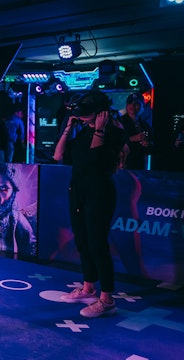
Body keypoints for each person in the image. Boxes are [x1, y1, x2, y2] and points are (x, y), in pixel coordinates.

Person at [53, 89, 126, 318]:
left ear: (100, 112)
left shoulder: (113, 131)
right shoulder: (83, 132)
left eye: (87, 112)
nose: (83, 116)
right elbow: (57, 155)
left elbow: (96, 163)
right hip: (78, 190)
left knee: (97, 243)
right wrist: (68, 128)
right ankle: (88, 287)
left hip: (99, 192)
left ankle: (107, 300)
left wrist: (101, 129)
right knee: (83, 241)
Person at [119, 92, 152, 170]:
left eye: (136, 103)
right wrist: (131, 139)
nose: (132, 106)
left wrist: (148, 144)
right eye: (130, 103)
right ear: (126, 105)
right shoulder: (119, 122)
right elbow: (112, 141)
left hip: (140, 164)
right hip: (123, 164)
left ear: (142, 106)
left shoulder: (145, 125)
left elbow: (152, 144)